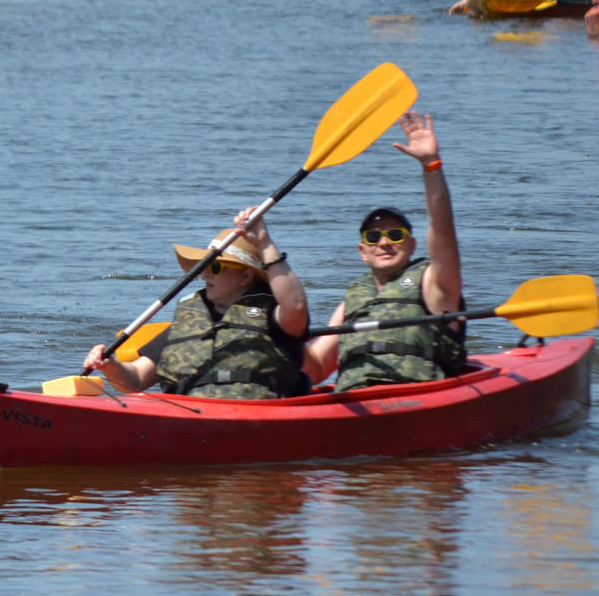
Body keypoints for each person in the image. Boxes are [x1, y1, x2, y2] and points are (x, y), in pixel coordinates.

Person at [303, 114, 465, 393]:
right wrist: (283, 334)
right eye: (374, 237)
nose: (385, 242)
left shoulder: (434, 284)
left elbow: (441, 230)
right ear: (362, 251)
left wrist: (431, 166)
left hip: (414, 398)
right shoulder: (352, 300)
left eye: (396, 235)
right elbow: (316, 368)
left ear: (412, 245)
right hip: (353, 401)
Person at [82, 207, 309, 400]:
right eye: (205, 267)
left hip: (253, 413)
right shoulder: (184, 324)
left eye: (216, 267)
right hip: (188, 416)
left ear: (246, 277)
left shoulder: (273, 318)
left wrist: (265, 243)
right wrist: (109, 366)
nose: (207, 274)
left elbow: (296, 307)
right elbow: (135, 380)